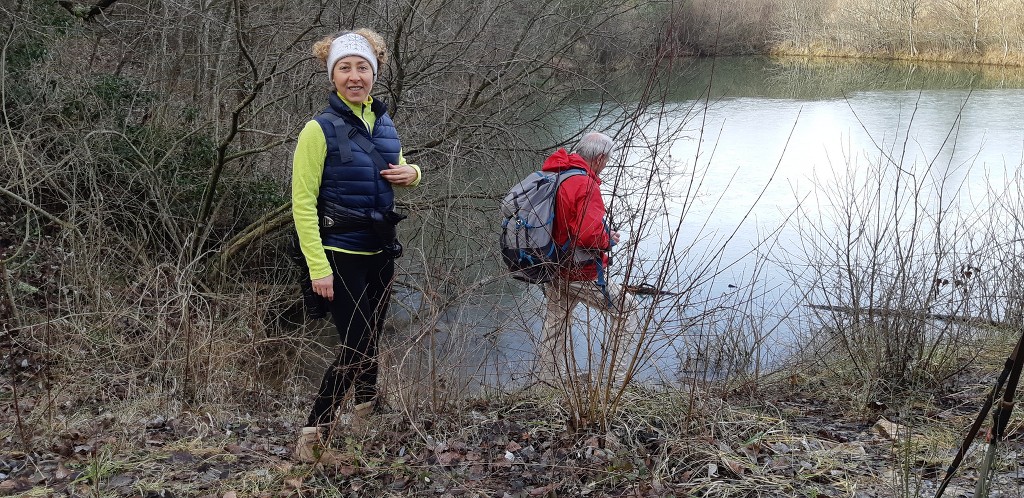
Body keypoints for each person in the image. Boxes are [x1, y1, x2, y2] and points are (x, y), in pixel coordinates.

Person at [291, 28, 421, 464]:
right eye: (344, 68)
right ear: (332, 76)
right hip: (338, 254)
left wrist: (414, 174)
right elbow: (302, 204)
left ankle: (365, 418)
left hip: (380, 251)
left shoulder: (384, 124)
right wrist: (317, 267)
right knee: (354, 345)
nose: (354, 75)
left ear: (374, 73)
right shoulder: (317, 129)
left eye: (362, 67)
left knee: (370, 340)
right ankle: (313, 438)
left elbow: (395, 169)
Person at [537, 132, 640, 384]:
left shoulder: (557, 174)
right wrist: (607, 239)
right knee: (628, 310)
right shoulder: (585, 184)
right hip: (579, 272)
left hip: (550, 265)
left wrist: (600, 232)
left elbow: (566, 223)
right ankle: (612, 384)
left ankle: (547, 385)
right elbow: (586, 235)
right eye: (607, 160)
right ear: (601, 158)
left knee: (555, 325)